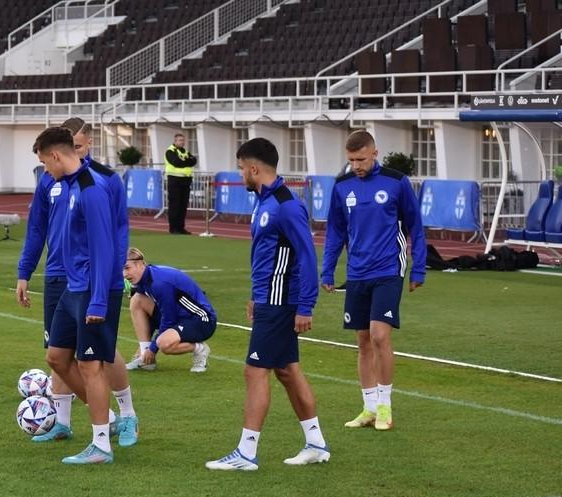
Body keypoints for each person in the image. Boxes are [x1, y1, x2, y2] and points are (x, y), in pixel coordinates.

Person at [206, 137, 329, 471]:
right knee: (287, 370)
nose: (241, 174)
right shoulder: (264, 201)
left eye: (242, 168)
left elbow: (306, 255)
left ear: (254, 168)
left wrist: (306, 305)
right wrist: (255, 295)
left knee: (254, 370)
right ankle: (316, 443)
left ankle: (246, 453)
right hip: (268, 298)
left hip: (281, 302)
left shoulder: (286, 205)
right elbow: (267, 257)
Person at [16, 119, 139, 451]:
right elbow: (36, 228)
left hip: (93, 284)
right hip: (64, 280)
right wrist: (25, 270)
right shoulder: (55, 182)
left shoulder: (100, 182)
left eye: (82, 146)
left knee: (98, 354)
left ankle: (122, 418)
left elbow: (112, 235)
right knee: (58, 355)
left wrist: (108, 286)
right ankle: (68, 422)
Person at [322, 130, 425, 431]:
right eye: (351, 160)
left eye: (361, 159)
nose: (356, 165)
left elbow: (415, 226)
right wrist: (328, 271)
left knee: (380, 336)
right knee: (363, 341)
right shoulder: (342, 187)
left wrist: (418, 269)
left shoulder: (396, 182)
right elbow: (335, 231)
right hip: (357, 272)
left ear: (375, 153)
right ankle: (367, 408)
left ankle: (385, 407)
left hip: (388, 269)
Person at [123, 247, 216, 373]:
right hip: (179, 316)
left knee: (164, 344)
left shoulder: (160, 283)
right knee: (137, 300)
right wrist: (146, 348)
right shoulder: (145, 277)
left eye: (127, 268)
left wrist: (153, 348)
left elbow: (168, 320)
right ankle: (145, 359)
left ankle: (200, 349)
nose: (124, 274)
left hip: (200, 319)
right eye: (122, 269)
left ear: (140, 264)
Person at [165, 132, 197, 235]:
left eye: (183, 140)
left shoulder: (185, 152)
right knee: (175, 205)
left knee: (183, 205)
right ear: (175, 141)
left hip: (185, 181)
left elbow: (194, 160)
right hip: (174, 180)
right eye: (179, 140)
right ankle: (173, 228)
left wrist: (185, 161)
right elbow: (176, 162)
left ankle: (181, 227)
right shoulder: (170, 151)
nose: (182, 142)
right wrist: (187, 161)